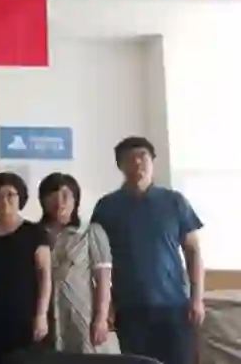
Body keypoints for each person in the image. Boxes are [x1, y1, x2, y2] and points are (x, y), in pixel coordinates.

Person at [91, 136, 205, 364]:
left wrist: (197, 298)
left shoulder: (174, 201)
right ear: (120, 166)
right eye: (129, 158)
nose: (137, 162)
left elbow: (193, 252)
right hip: (129, 307)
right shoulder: (107, 207)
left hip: (173, 305)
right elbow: (97, 261)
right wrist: (105, 307)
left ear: (152, 161)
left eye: (142, 156)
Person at [38, 172, 117, 354]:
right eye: (52, 195)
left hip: (81, 315)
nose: (59, 201)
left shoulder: (90, 232)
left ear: (76, 200)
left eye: (66, 195)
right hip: (46, 317)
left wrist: (101, 318)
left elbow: (103, 280)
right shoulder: (35, 234)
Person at [0, 172, 52, 364]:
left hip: (25, 316)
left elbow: (45, 276)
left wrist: (41, 314)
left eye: (10, 194)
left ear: (21, 198)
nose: (5, 200)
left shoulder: (35, 232)